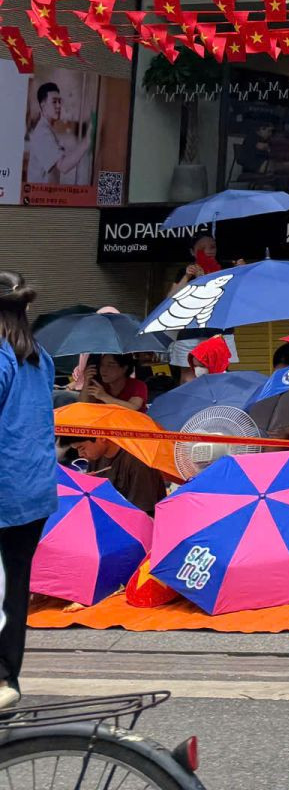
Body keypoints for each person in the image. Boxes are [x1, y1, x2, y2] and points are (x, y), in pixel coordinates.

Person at [0, 271, 54, 709]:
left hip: (4, 491)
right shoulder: (41, 357)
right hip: (33, 492)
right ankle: (6, 678)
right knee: (13, 586)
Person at [68, 432, 166, 515]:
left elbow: (143, 512)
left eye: (82, 448)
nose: (80, 454)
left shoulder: (137, 462)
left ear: (101, 437)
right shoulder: (96, 458)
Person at [25, 83, 87, 184]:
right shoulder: (43, 133)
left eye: (59, 101)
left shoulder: (48, 129)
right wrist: (87, 141)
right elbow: (63, 166)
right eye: (54, 102)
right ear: (43, 105)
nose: (58, 106)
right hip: (40, 196)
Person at [72, 352, 148, 412]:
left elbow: (133, 408)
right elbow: (82, 406)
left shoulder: (137, 385)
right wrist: (86, 382)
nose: (104, 370)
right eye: (102, 365)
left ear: (124, 368)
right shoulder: (99, 384)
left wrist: (104, 396)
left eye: (111, 365)